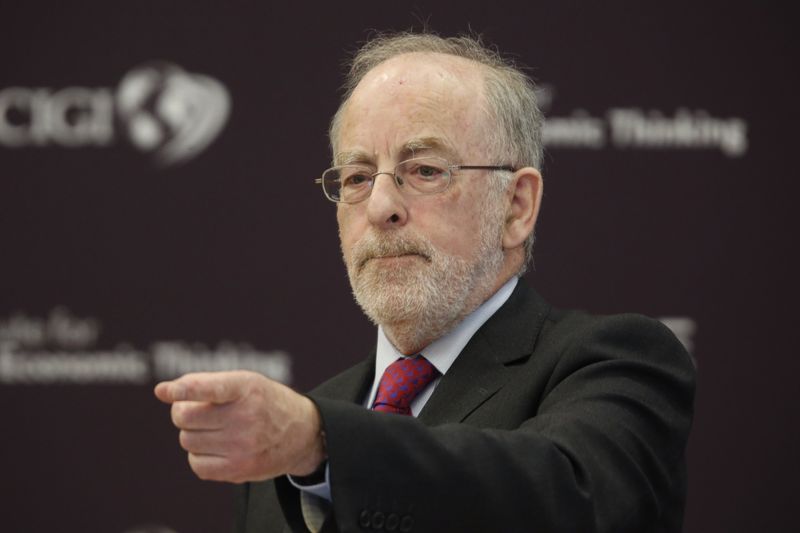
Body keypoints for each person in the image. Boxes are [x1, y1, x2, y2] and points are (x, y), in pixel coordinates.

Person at [155, 32, 696, 533]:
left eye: (425, 170)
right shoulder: (288, 443)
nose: (382, 207)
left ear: (516, 206)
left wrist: (324, 444)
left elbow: (565, 496)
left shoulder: (615, 362)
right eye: (358, 178)